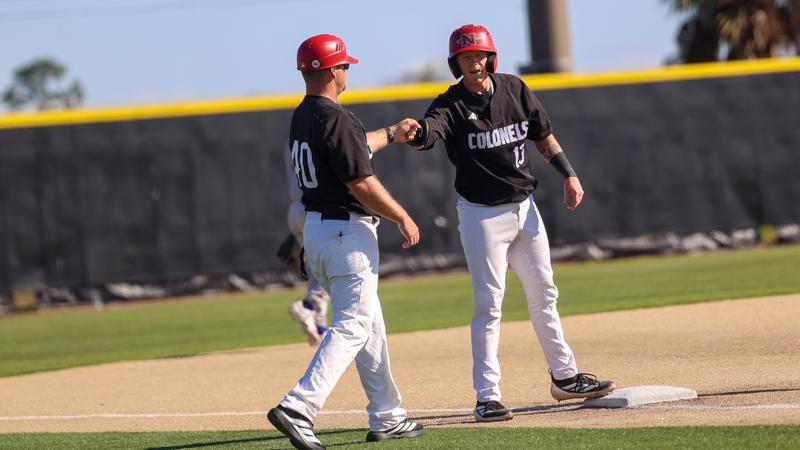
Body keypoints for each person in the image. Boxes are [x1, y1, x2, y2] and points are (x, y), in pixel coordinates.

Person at [408, 24, 614, 423]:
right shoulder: (450, 104)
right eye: (466, 57)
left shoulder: (515, 89)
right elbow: (431, 131)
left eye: (479, 55)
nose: (474, 63)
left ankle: (565, 377)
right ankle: (487, 397)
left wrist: (569, 175)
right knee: (489, 304)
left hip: (525, 208)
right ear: (456, 64)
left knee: (545, 294)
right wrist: (418, 134)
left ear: (490, 57)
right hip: (482, 215)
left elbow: (544, 138)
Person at [267, 33, 424, 450]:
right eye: (344, 65)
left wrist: (392, 133)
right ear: (333, 71)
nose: (347, 71)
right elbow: (360, 181)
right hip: (346, 233)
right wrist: (402, 215)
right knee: (354, 324)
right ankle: (299, 406)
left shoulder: (303, 116)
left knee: (370, 324)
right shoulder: (336, 117)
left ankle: (387, 416)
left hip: (319, 231)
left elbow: (351, 148)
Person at [283, 141, 330, 345]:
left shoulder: (290, 143)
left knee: (315, 272)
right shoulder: (315, 137)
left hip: (295, 209)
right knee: (332, 268)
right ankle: (306, 307)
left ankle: (319, 327)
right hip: (312, 208)